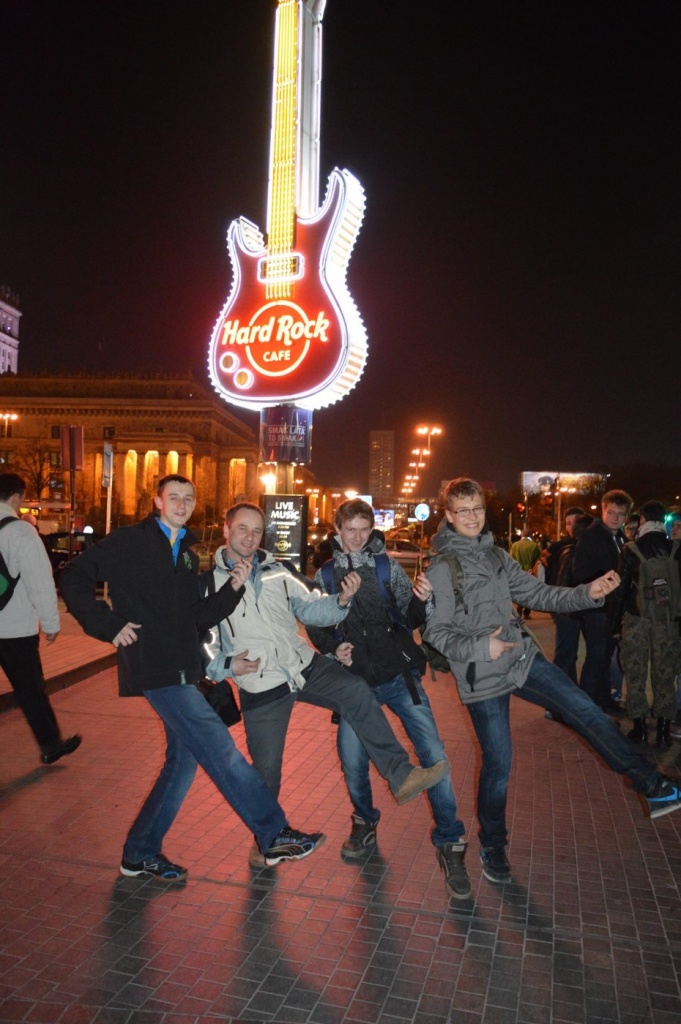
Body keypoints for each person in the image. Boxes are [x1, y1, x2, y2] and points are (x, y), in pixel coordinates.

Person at [60, 475, 327, 881]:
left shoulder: (186, 554)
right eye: (174, 497)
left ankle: (139, 853)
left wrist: (233, 588)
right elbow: (73, 576)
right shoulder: (130, 541)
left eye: (188, 498)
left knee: (182, 763)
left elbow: (195, 618)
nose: (182, 504)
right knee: (221, 750)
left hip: (184, 668)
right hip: (154, 665)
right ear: (158, 501)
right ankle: (273, 833)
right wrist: (107, 624)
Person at [423, 477, 681, 886]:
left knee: (585, 710)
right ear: (449, 516)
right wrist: (481, 647)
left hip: (522, 659)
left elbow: (540, 594)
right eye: (463, 511)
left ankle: (652, 785)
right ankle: (493, 845)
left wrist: (587, 592)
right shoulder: (441, 567)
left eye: (477, 509)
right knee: (499, 765)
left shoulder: (497, 556)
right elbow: (436, 632)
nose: (472, 517)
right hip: (481, 676)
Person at [202, 502, 449, 869]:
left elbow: (313, 609)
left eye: (256, 530)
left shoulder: (278, 571)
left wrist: (341, 601)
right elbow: (202, 639)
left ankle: (401, 775)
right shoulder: (209, 585)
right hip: (260, 681)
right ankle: (266, 839)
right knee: (267, 771)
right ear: (226, 529)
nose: (250, 537)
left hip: (303, 666)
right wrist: (227, 664)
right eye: (242, 528)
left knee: (355, 691)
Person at [306, 499, 470, 900]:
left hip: (398, 676)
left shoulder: (385, 566)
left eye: (364, 529)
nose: (358, 537)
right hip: (355, 684)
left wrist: (421, 599)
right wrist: (333, 647)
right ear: (337, 531)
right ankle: (365, 820)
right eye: (351, 530)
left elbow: (410, 617)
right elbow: (315, 622)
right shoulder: (324, 574)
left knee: (433, 753)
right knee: (352, 760)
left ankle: (451, 840)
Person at [0, 473, 82, 765]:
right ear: (16, 497)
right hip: (15, 631)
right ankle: (50, 745)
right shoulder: (21, 532)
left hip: (14, 629)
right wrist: (51, 623)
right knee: (30, 691)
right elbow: (40, 582)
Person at [610, 500, 681, 747]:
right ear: (663, 520)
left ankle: (639, 727)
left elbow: (620, 591)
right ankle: (663, 730)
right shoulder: (676, 549)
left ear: (642, 519)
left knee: (635, 674)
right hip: (667, 622)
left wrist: (614, 625)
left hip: (636, 619)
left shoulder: (631, 549)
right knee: (665, 674)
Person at [572, 488, 633, 710]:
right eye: (611, 512)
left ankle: (602, 700)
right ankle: (586, 708)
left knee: (605, 656)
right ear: (603, 511)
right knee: (597, 657)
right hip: (597, 608)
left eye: (621, 514)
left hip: (610, 608)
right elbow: (582, 572)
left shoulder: (618, 536)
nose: (616, 518)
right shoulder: (594, 536)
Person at [509, 528, 540, 619]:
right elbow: (537, 560)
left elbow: (511, 559)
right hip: (530, 572)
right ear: (530, 535)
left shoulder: (515, 545)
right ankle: (527, 612)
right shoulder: (534, 546)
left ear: (522, 535)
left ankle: (519, 610)